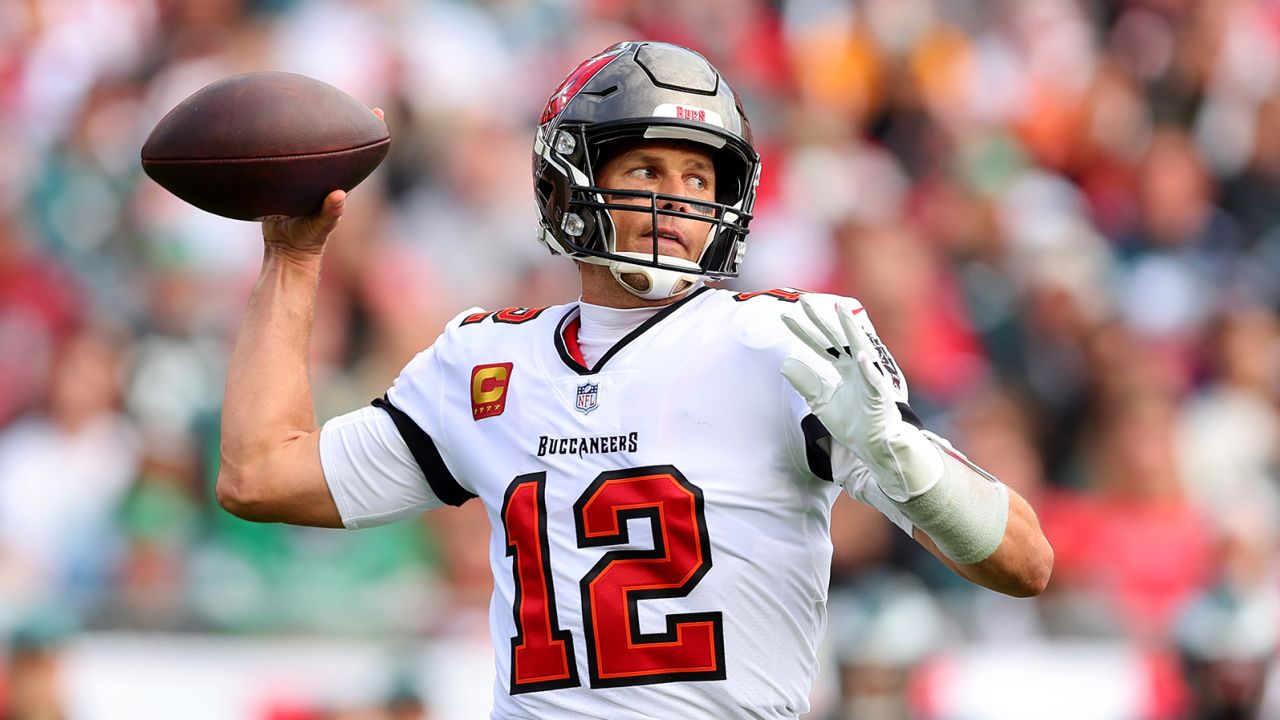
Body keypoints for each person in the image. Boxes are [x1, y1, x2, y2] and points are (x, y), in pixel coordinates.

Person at [216, 42, 1053, 719]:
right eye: (647, 172)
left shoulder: (778, 342)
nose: (679, 203)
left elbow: (1026, 562)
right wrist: (292, 259)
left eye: (699, 179)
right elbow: (259, 475)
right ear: (570, 184)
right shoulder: (483, 364)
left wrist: (900, 456)